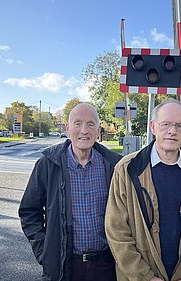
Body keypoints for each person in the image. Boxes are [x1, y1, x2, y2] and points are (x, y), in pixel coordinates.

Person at [105, 98, 181, 281]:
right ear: (153, 127)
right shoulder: (127, 169)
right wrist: (145, 277)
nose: (172, 131)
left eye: (179, 126)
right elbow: (116, 231)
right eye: (165, 124)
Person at [19, 103, 122, 281]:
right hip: (64, 265)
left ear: (98, 130)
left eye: (91, 124)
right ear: (67, 129)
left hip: (107, 266)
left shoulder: (114, 165)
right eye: (77, 123)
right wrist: (45, 252)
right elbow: (29, 211)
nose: (84, 130)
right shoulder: (48, 164)